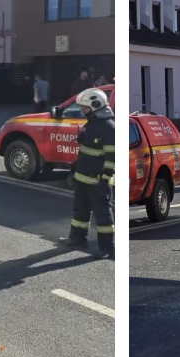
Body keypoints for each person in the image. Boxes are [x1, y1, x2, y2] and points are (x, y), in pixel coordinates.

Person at [60, 88, 115, 259]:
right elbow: (85, 151)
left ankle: (107, 248)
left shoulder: (108, 127)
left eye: (85, 107)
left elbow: (112, 156)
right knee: (80, 212)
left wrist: (105, 179)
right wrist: (74, 169)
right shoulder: (92, 123)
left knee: (103, 216)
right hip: (82, 177)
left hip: (98, 180)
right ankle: (76, 238)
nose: (82, 110)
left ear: (96, 105)